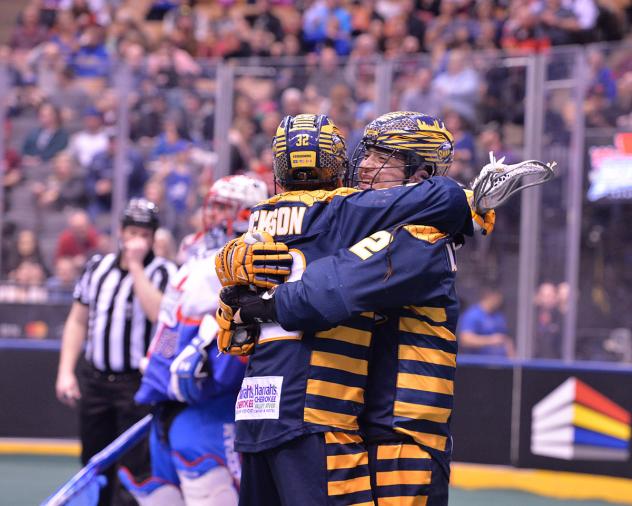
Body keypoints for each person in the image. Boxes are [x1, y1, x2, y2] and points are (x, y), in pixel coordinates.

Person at [216, 112, 498, 505]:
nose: (363, 164)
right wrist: (230, 264)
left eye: (382, 157)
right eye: (365, 153)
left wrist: (253, 304)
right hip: (355, 423)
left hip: (403, 435)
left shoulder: (420, 238)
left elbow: (323, 290)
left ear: (420, 174)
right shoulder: (350, 219)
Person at [120, 176, 269, 506]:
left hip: (209, 412)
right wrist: (161, 365)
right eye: (213, 206)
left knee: (211, 494)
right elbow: (169, 326)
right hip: (168, 405)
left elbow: (237, 342)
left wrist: (202, 372)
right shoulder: (198, 257)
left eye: (224, 208)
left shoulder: (248, 264)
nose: (214, 214)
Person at [55, 198, 177, 506]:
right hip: (95, 381)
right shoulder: (97, 267)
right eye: (132, 232)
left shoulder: (164, 272)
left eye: (144, 234)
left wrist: (136, 266)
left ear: (153, 238)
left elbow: (158, 315)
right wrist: (66, 371)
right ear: (121, 233)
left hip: (136, 385)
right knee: (94, 464)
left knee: (135, 470)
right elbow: (78, 320)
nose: (137, 240)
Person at [458, 285, 514, 357]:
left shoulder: (498, 316)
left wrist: (513, 362)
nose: (501, 300)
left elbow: (505, 340)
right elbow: (465, 340)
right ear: (489, 296)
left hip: (501, 363)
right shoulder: (473, 314)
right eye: (498, 297)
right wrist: (490, 340)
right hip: (478, 364)